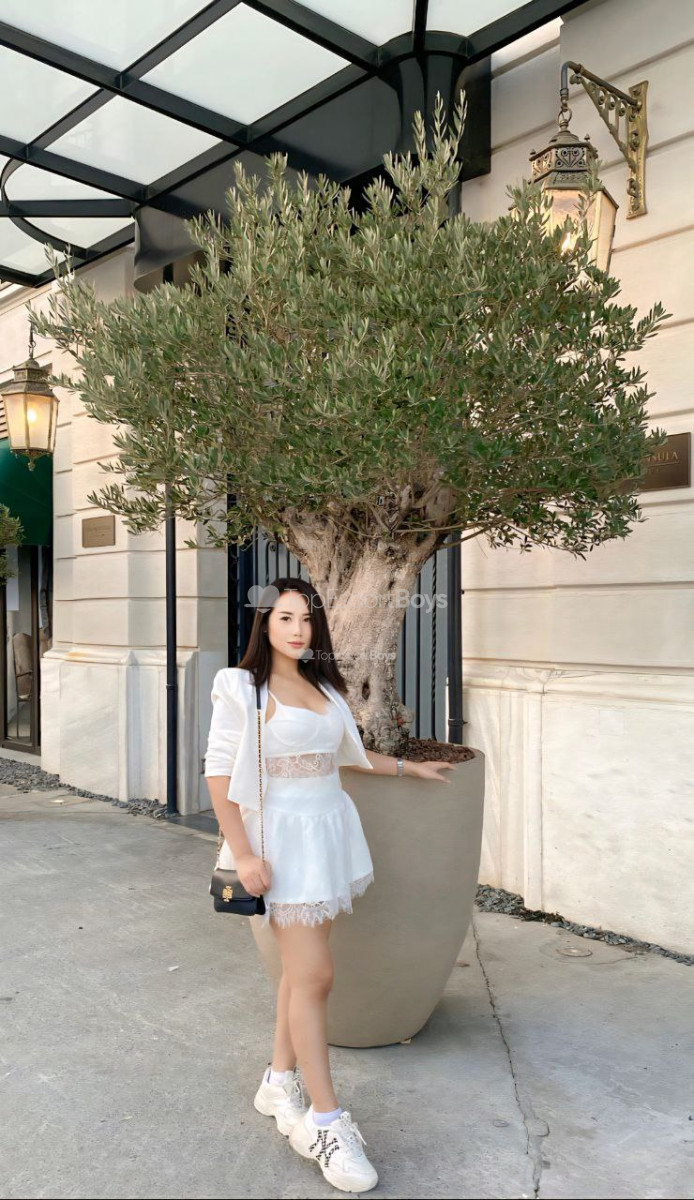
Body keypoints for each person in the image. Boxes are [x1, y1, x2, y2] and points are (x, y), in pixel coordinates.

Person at [204, 577, 453, 1193]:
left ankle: (277, 1081)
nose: (297, 630)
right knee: (314, 975)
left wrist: (409, 767)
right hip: (281, 843)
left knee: (301, 971)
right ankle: (324, 1121)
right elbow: (218, 773)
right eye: (284, 617)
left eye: (307, 619)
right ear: (264, 623)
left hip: (329, 834)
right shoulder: (243, 687)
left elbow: (348, 756)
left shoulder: (324, 686)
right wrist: (244, 854)